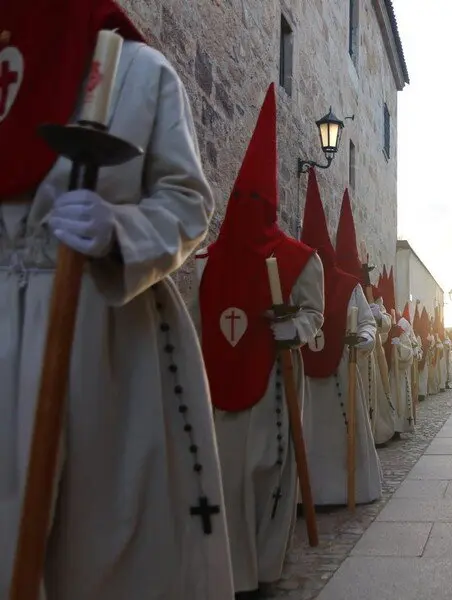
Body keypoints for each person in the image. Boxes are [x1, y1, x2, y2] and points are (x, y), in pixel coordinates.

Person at [0, 3, 235, 598]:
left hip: (93, 333)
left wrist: (121, 231)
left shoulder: (139, 71)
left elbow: (187, 203)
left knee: (97, 534)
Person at [195, 84, 324, 596]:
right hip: (217, 390)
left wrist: (293, 327)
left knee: (266, 471)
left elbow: (314, 313)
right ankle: (226, 568)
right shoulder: (208, 260)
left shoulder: (298, 259)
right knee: (222, 478)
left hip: (272, 383)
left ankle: (263, 570)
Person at [298, 170, 381, 506]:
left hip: (341, 372)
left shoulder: (348, 286)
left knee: (337, 431)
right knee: (307, 431)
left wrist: (364, 337)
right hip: (302, 377)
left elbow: (367, 323)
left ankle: (348, 487)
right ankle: (304, 494)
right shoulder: (292, 283)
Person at [334, 189, 395, 446]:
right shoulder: (336, 286)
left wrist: (375, 318)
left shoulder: (368, 292)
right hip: (341, 360)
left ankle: (375, 432)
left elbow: (382, 325)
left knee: (370, 400)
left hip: (368, 356)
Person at [390, 316, 416, 433]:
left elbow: (409, 352)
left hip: (399, 374)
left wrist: (399, 345)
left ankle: (398, 427)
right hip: (388, 373)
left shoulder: (403, 335)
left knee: (399, 398)